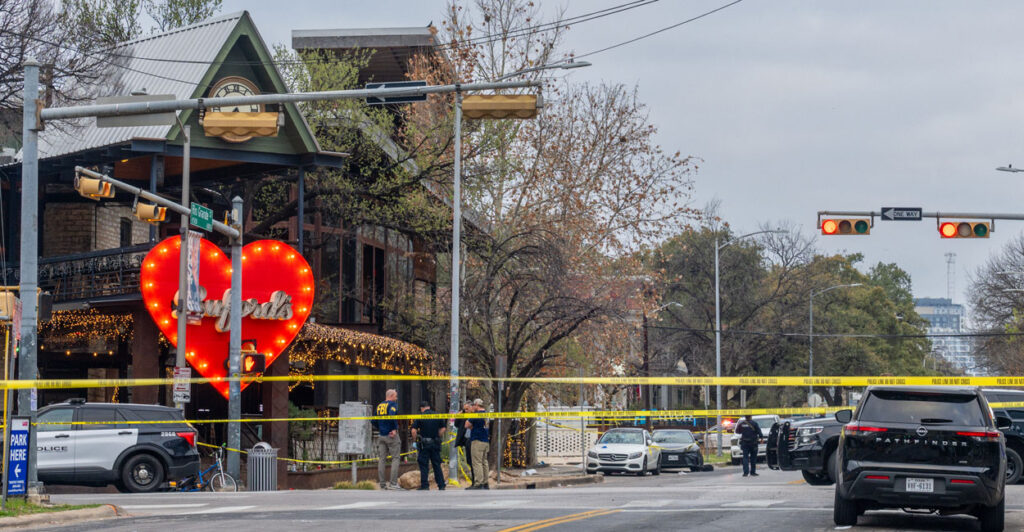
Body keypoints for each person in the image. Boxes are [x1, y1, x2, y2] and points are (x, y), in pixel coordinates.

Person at [411, 400, 446, 490]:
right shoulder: (437, 415)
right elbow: (443, 428)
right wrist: (438, 435)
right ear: (429, 407)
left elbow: (414, 430)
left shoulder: (421, 416)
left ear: (422, 408)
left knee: (424, 465)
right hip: (435, 443)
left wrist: (414, 441)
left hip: (424, 444)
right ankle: (441, 485)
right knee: (436, 465)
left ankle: (425, 485)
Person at [375, 389, 401, 489]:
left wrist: (381, 428)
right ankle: (393, 483)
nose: (396, 398)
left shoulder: (379, 405)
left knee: (382, 459)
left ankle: (382, 484)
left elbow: (373, 420)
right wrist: (394, 429)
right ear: (391, 396)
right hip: (391, 435)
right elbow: (392, 416)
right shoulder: (392, 405)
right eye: (395, 396)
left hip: (381, 435)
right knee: (395, 458)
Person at [465, 398, 490, 489]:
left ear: (476, 405)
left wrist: (470, 418)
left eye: (473, 406)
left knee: (477, 462)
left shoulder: (476, 415)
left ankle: (478, 482)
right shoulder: (486, 414)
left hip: (477, 440)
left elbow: (466, 425)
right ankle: (485, 482)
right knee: (484, 462)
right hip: (485, 440)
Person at [453, 402, 475, 486]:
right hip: (466, 440)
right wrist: (458, 416)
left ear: (471, 408)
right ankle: (474, 481)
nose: (465, 411)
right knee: (469, 461)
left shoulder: (475, 416)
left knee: (474, 462)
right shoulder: (463, 416)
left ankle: (475, 481)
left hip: (473, 439)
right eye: (464, 409)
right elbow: (456, 424)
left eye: (467, 409)